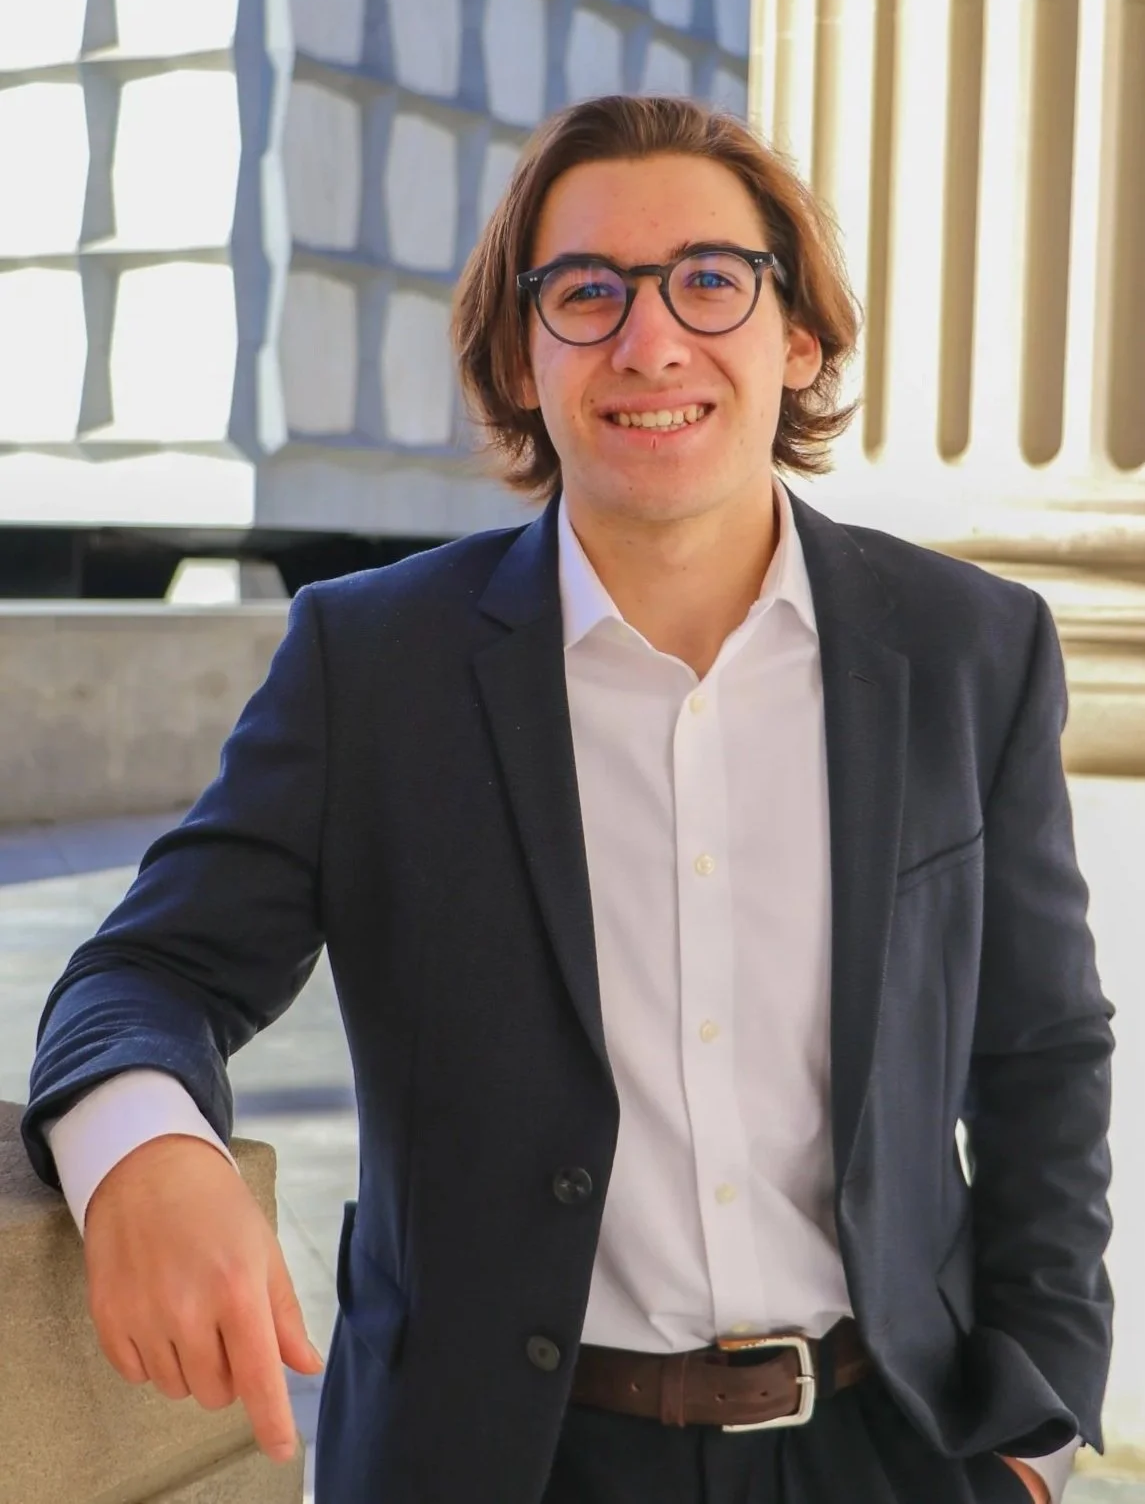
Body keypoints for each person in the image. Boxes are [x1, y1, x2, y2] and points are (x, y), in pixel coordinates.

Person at [21, 96, 1112, 1504]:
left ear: (797, 337)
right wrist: (149, 1151)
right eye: (587, 292)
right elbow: (145, 972)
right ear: (521, 360)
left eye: (710, 279)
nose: (650, 341)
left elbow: (1041, 1051)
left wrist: (1034, 1431)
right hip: (502, 1460)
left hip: (889, 1445)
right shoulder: (374, 664)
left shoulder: (972, 648)